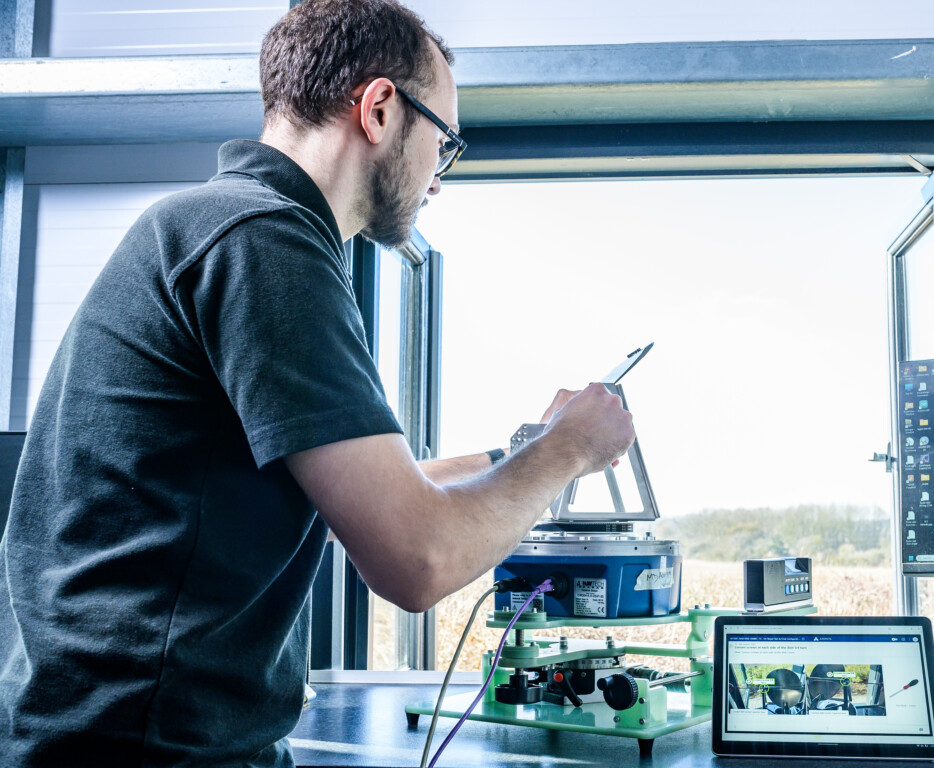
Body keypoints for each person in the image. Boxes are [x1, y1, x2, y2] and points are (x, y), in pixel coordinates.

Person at [0, 1, 635, 766]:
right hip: (149, 750)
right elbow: (416, 557)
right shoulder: (266, 243)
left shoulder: (214, 226)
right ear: (379, 110)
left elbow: (357, 502)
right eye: (446, 141)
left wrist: (511, 454)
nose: (440, 172)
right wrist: (568, 451)